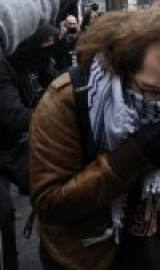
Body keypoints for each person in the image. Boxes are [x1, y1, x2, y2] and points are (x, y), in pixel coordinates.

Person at [30, 7, 160, 270]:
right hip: (86, 256)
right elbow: (50, 204)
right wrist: (133, 155)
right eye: (152, 92)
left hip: (153, 242)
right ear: (122, 69)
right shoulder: (68, 98)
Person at [0, 23, 59, 270]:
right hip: (8, 140)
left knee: (53, 191)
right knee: (3, 211)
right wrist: (60, 116)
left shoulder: (36, 58)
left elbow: (59, 81)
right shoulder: (3, 64)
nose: (47, 53)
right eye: (43, 47)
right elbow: (14, 117)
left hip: (13, 145)